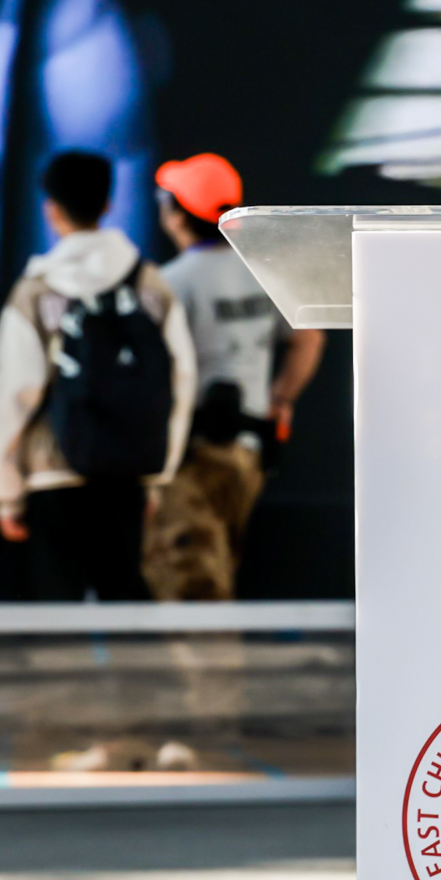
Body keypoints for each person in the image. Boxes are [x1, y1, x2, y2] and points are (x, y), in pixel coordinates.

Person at [0, 151, 194, 600]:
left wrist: (6, 492)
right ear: (108, 204)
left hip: (51, 474)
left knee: (57, 618)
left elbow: (14, 393)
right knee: (126, 610)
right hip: (127, 471)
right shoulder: (151, 285)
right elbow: (180, 382)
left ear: (52, 209)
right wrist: (159, 476)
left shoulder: (36, 290)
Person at [145, 153, 323, 600]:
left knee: (190, 582)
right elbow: (309, 337)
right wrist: (281, 400)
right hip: (250, 450)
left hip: (194, 455)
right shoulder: (264, 273)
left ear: (178, 215)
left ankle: (210, 652)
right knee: (220, 564)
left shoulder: (171, 282)